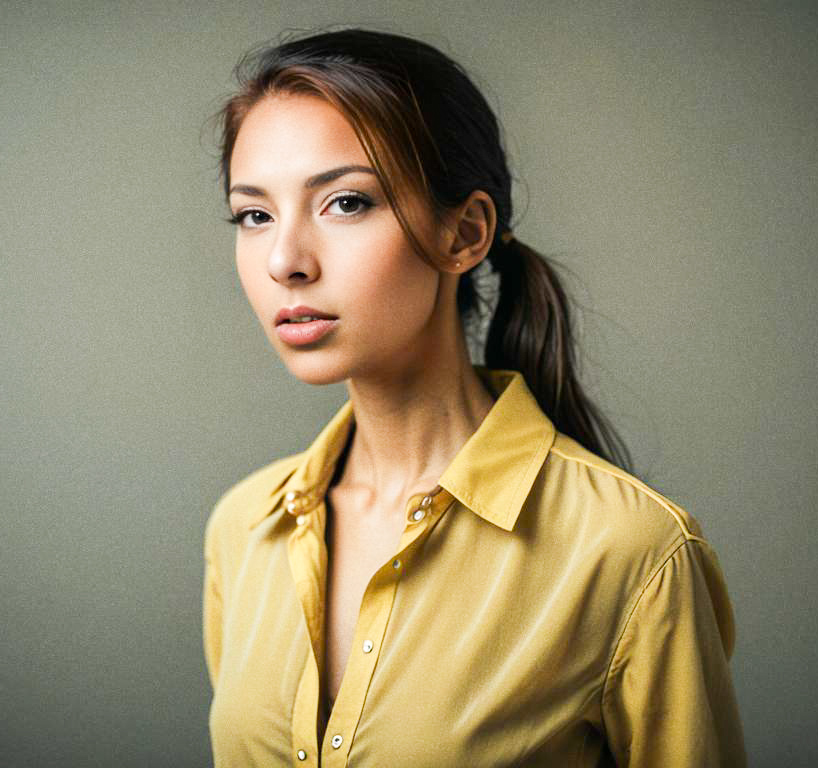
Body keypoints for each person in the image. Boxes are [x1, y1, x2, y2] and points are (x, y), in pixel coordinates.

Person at [202, 27, 746, 767]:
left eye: (346, 202)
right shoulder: (243, 530)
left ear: (465, 233)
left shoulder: (633, 554)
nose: (284, 261)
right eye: (254, 214)